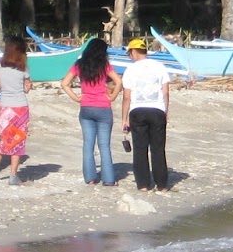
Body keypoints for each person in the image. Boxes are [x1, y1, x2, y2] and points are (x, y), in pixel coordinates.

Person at [61, 38, 121, 186]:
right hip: (103, 107)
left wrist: (76, 97)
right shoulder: (104, 65)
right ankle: (108, 179)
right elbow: (119, 82)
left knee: (88, 144)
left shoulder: (79, 65)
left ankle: (90, 178)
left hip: (86, 107)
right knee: (104, 145)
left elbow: (64, 83)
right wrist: (112, 96)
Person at [120, 38, 172, 192]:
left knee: (140, 148)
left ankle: (143, 184)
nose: (130, 56)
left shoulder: (130, 70)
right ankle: (161, 184)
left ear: (134, 52)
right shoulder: (160, 66)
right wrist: (166, 111)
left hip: (137, 110)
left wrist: (124, 119)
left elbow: (127, 97)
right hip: (157, 110)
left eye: (130, 53)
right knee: (158, 148)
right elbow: (166, 92)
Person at [0, 37, 33, 186]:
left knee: (3, 140)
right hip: (19, 107)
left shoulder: (0, 68)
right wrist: (28, 86)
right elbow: (26, 88)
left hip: (5, 107)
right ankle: (13, 175)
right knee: (17, 142)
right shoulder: (22, 69)